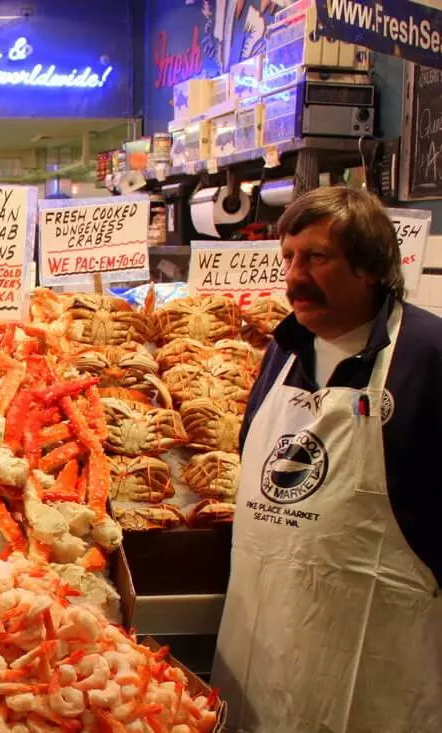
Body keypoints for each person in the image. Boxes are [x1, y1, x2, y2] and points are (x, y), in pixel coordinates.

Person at [212, 187, 442, 732]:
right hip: (261, 640)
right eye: (288, 256)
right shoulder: (285, 350)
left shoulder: (428, 356)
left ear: (369, 267)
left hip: (375, 660)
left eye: (317, 257)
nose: (294, 276)